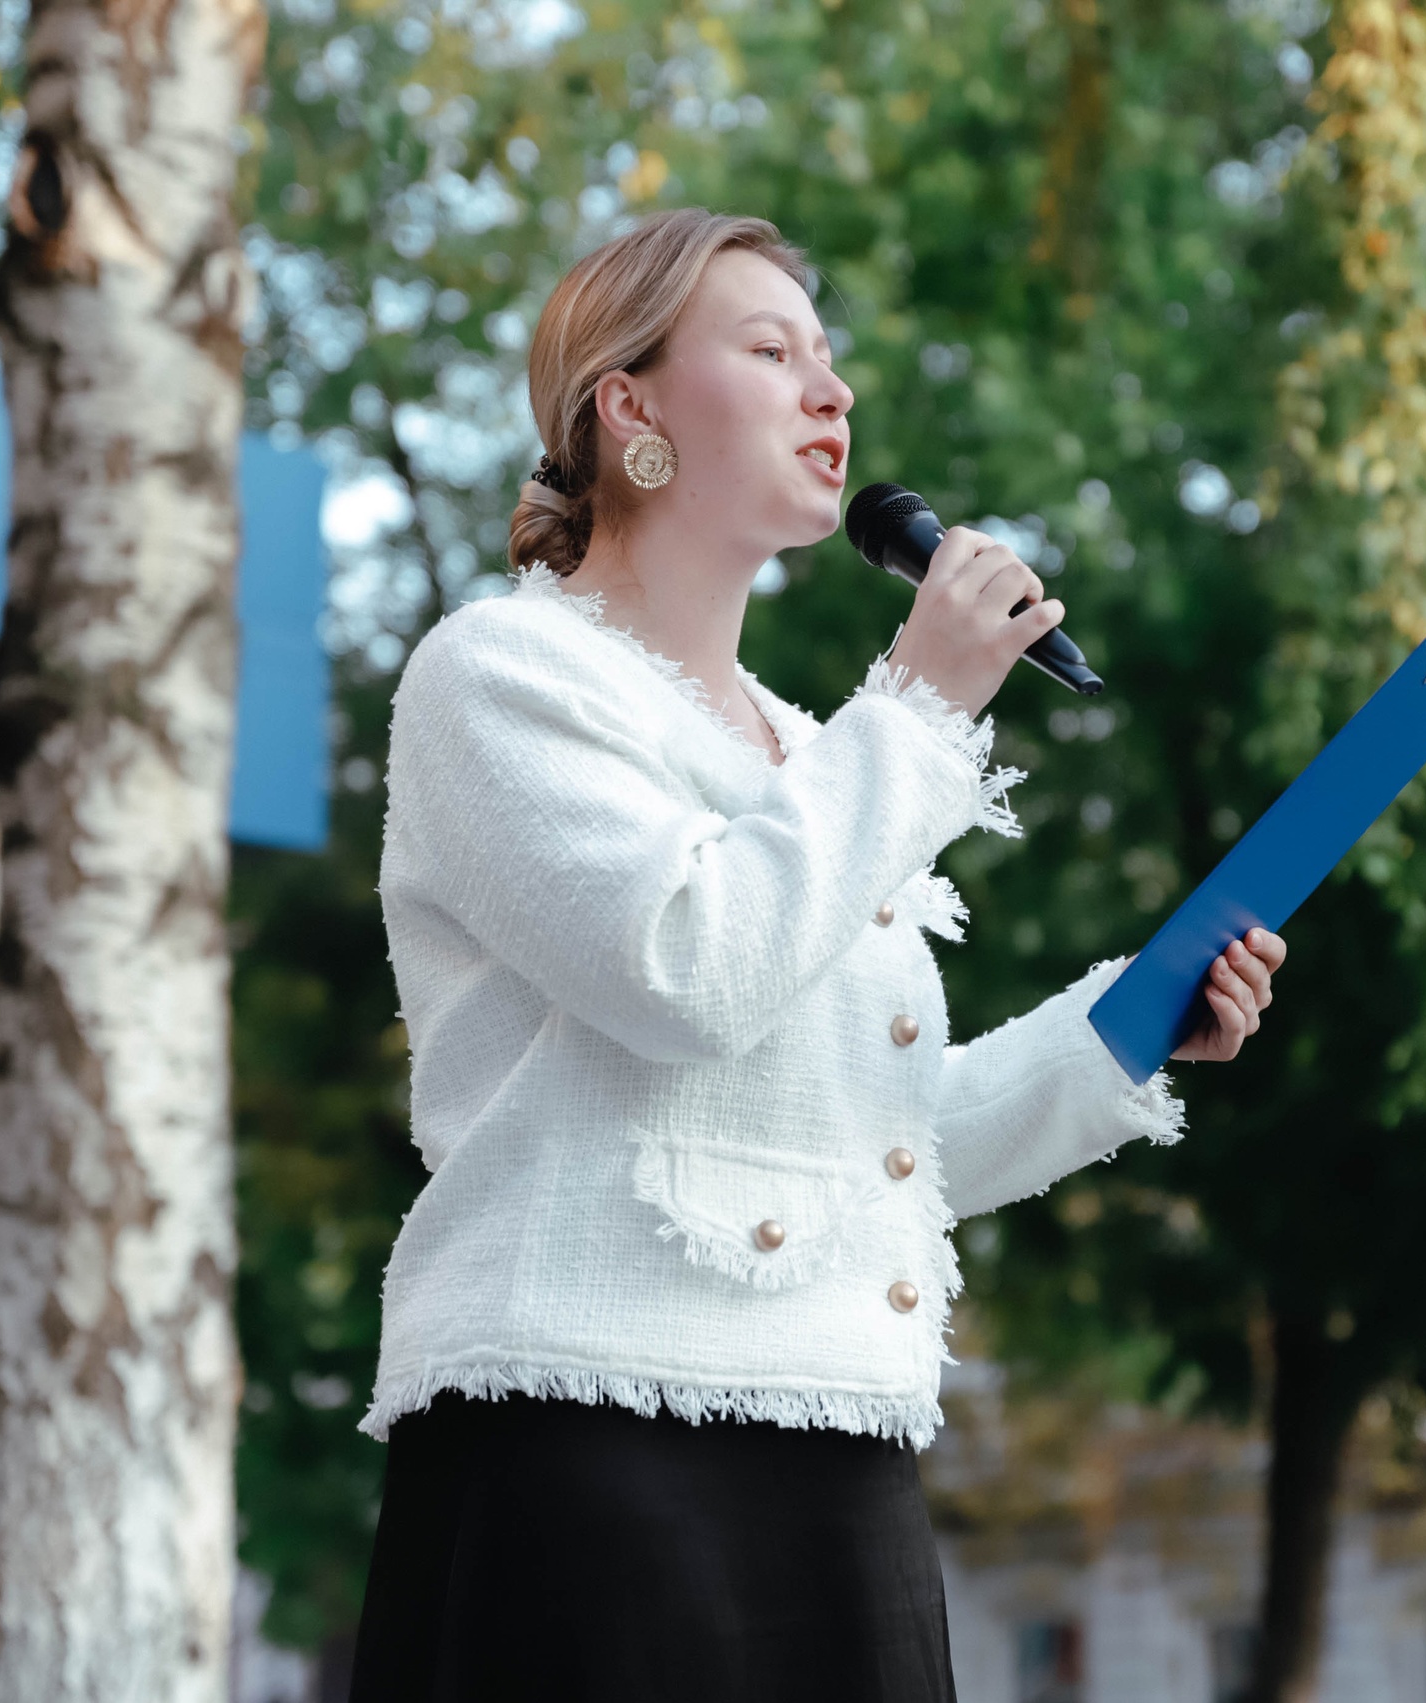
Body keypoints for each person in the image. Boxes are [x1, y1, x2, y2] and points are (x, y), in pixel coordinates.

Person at [346, 208, 1288, 1702]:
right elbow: (686, 967)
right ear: (631, 407)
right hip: (593, 1453)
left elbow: (873, 1145)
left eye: (828, 357)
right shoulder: (499, 674)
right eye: (772, 350)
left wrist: (1124, 1026)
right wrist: (920, 705)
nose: (832, 391)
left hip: (840, 1460)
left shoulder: (811, 749)